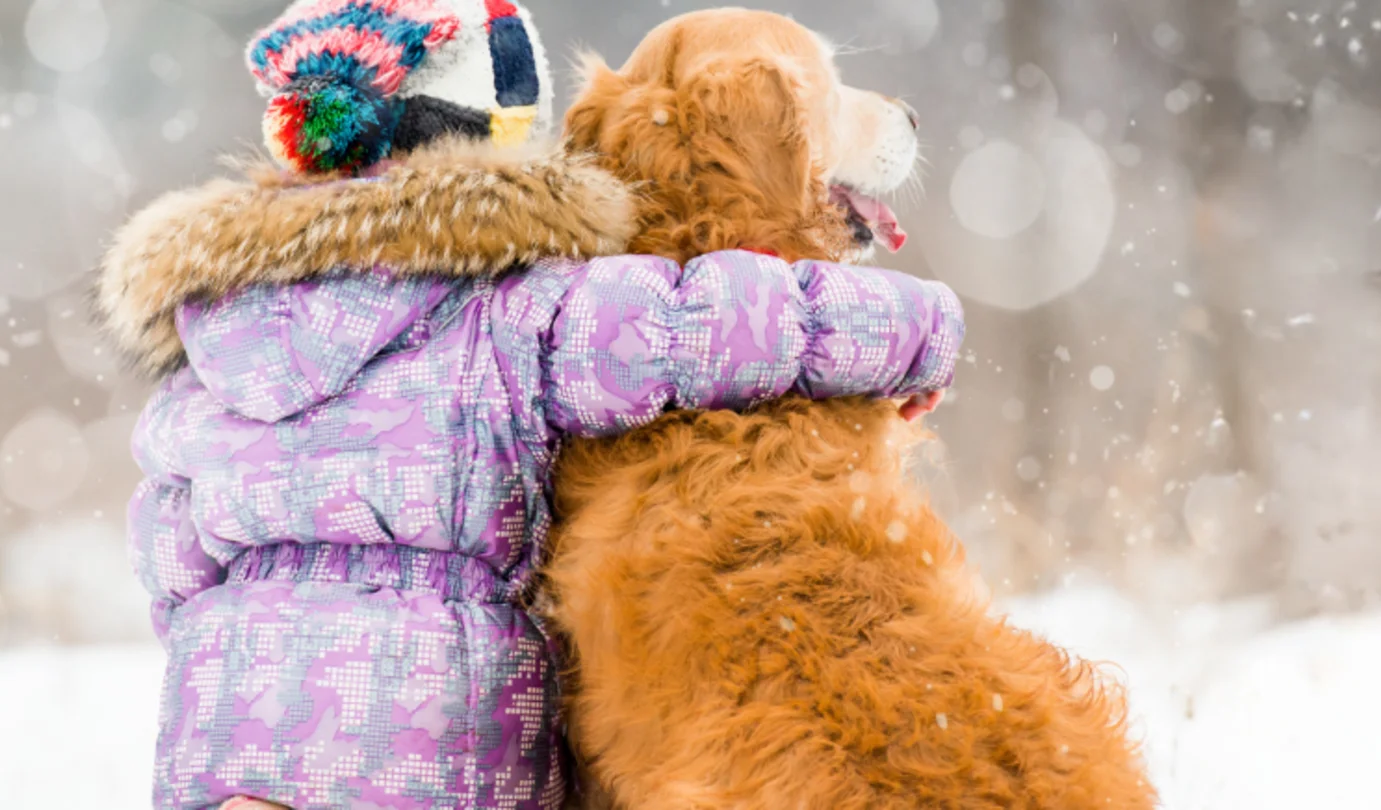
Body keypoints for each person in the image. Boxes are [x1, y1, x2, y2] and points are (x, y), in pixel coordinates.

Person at [96, 2, 961, 807]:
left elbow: (169, 557)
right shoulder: (514, 311)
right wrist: (919, 330)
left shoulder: (211, 342)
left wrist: (253, 657)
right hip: (437, 739)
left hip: (224, 739)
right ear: (494, 133)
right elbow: (710, 324)